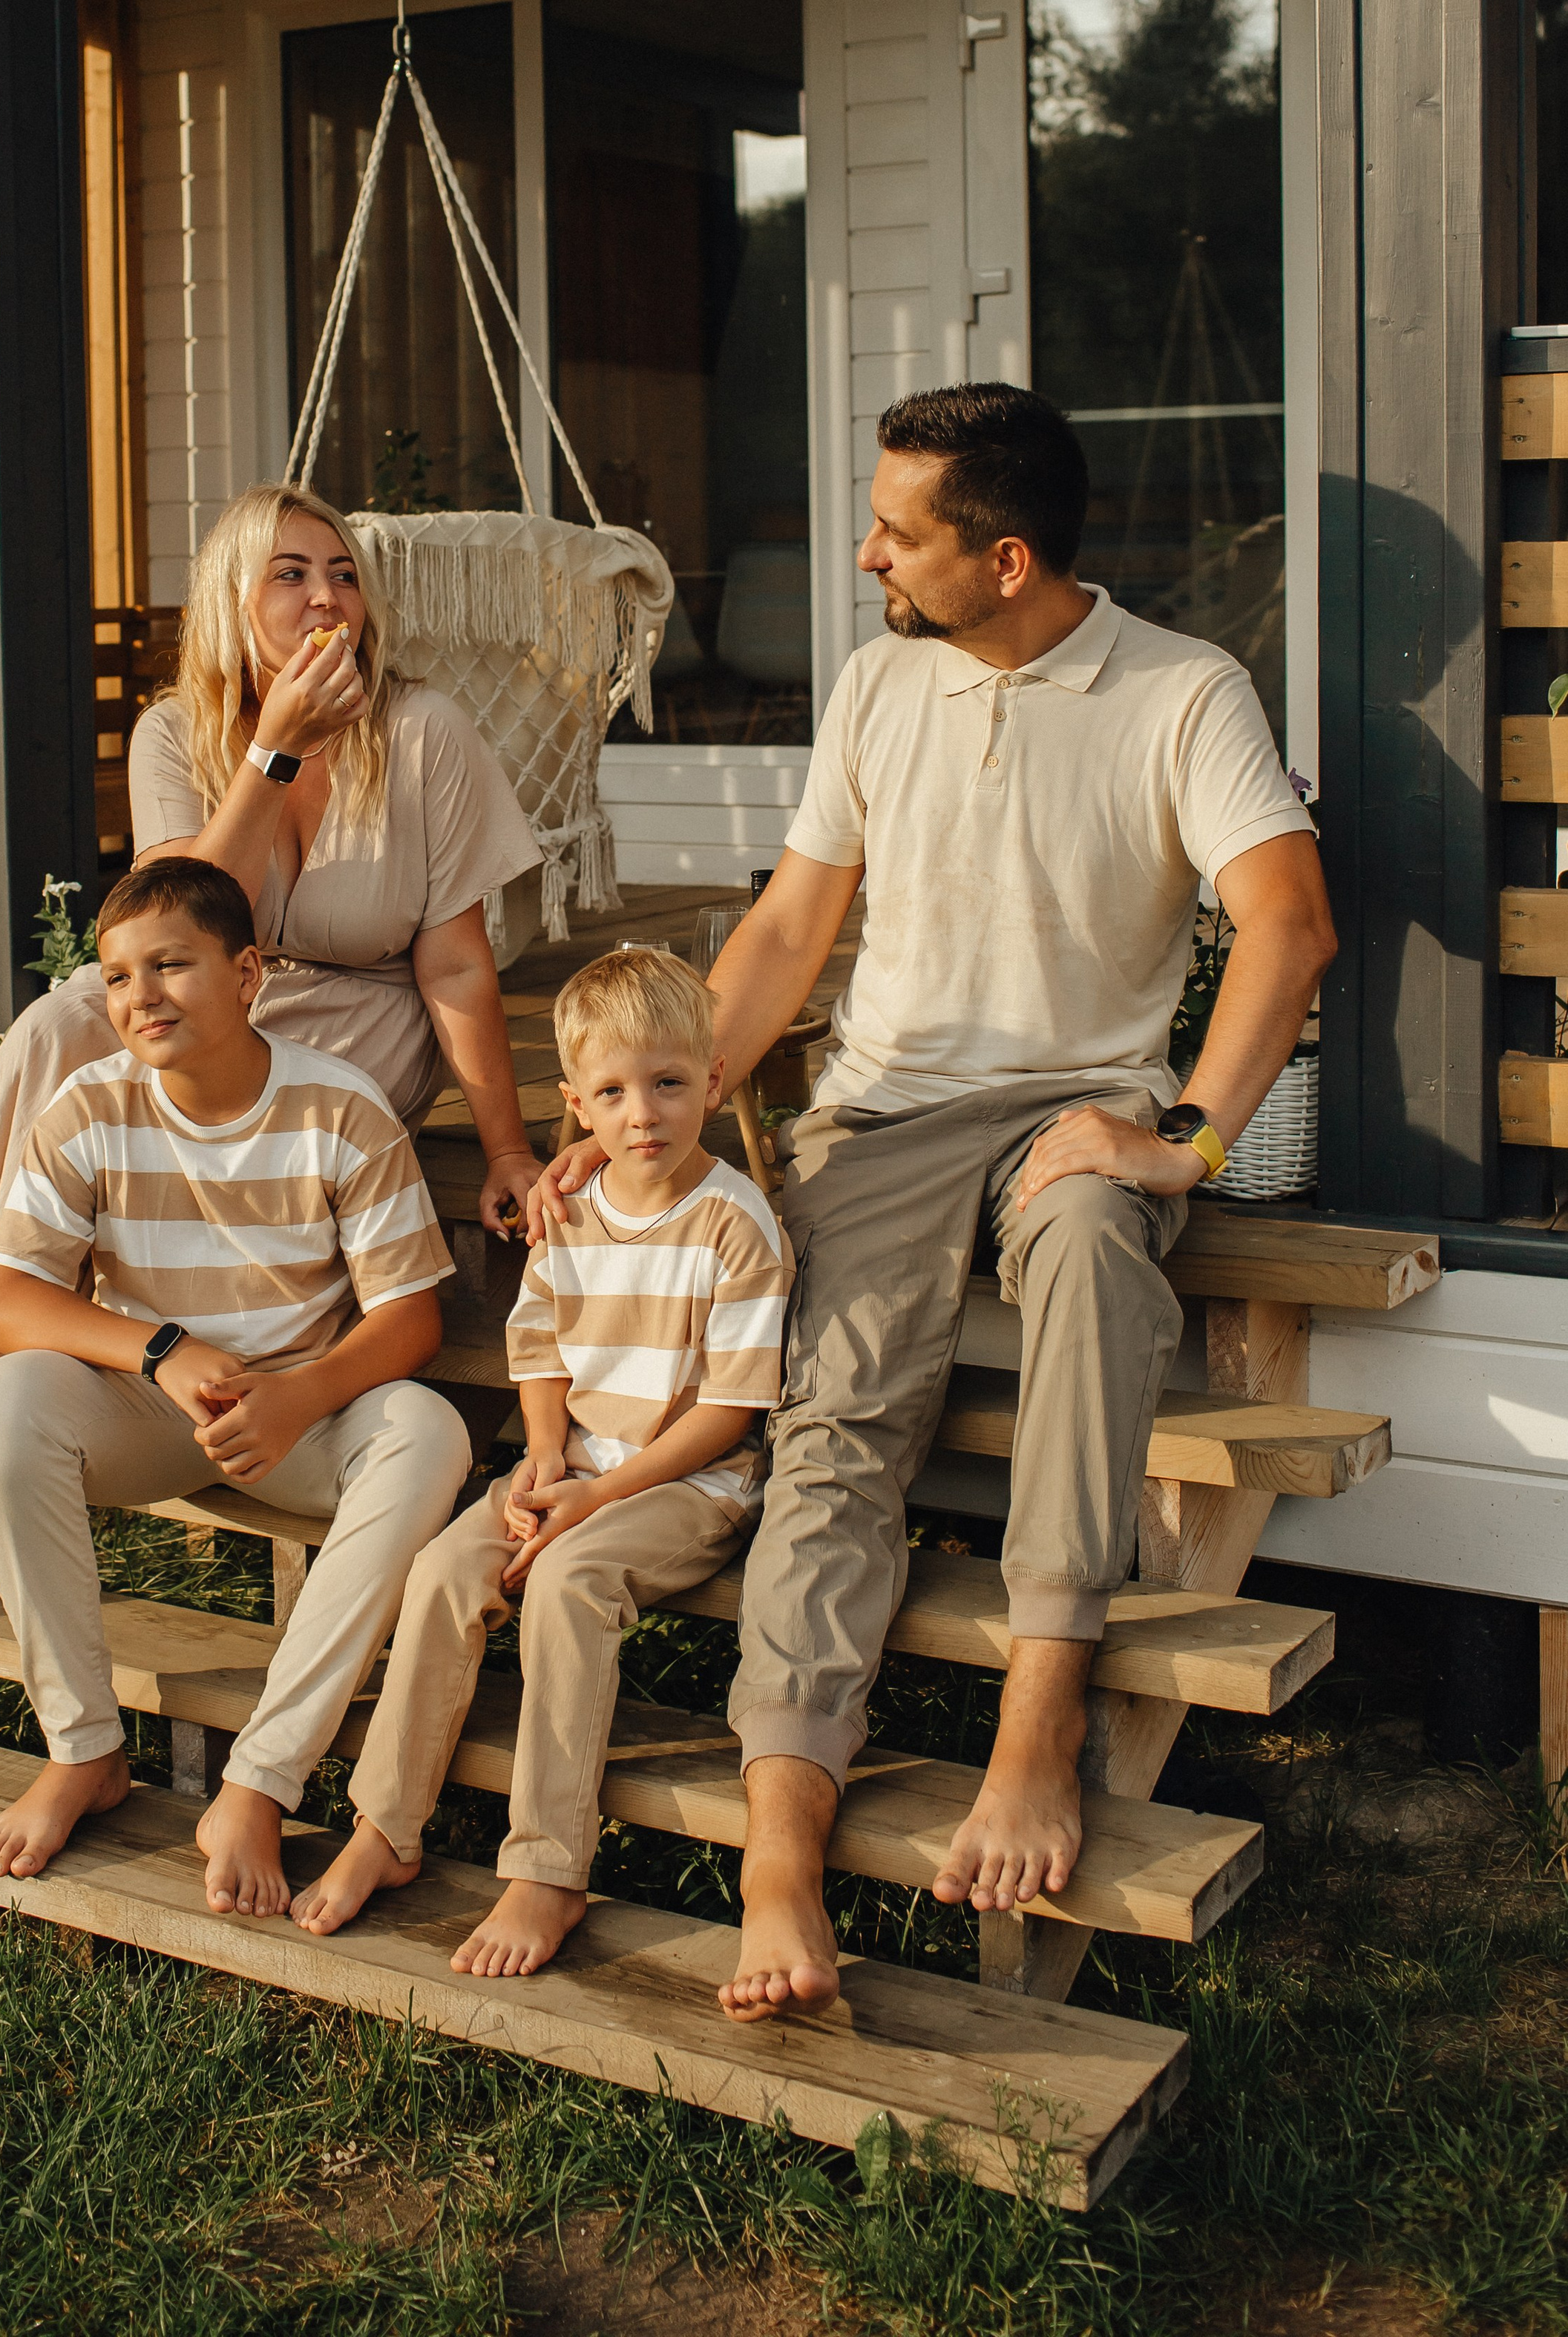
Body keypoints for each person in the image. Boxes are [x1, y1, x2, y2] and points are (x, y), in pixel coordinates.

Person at [531, 382, 1337, 2022]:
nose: (866, 557)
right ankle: (782, 1840)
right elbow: (786, 929)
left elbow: (1289, 923)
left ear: (1006, 556)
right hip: (881, 1118)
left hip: (1075, 1113)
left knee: (1096, 1251)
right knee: (830, 1427)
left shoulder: (1183, 691)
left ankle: (1040, 1720)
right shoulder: (877, 683)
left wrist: (1184, 1142)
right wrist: (631, 1123)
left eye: (897, 533)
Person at [0, 480, 540, 1667]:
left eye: (342, 574)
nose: (326, 597)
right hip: (200, 983)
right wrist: (274, 751)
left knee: (154, 1055)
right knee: (56, 1025)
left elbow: (455, 962)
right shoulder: (176, 733)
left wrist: (505, 1146)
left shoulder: (422, 728)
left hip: (356, 1013)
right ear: (233, 599)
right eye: (291, 574)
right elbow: (176, 921)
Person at [0, 853, 466, 1907]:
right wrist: (157, 1349)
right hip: (146, 1410)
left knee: (428, 1434)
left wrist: (304, 1394)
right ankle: (83, 1750)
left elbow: (412, 1318)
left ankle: (261, 1781)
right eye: (118, 976)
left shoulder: (341, 1107)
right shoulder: (90, 1107)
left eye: (172, 965)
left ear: (247, 973)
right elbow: (0, 1302)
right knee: (2, 1404)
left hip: (300, 1419)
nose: (141, 996)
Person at [293, 948, 788, 1978]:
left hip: (687, 1483)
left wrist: (594, 1496)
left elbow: (732, 1410)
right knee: (443, 1568)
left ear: (714, 1080)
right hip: (574, 1462)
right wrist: (546, 1456)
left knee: (566, 1582)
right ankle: (386, 1825)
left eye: (668, 1083)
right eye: (612, 1093)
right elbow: (542, 1349)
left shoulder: (736, 1223)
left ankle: (549, 1869)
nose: (642, 1115)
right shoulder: (572, 1212)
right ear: (576, 1104)